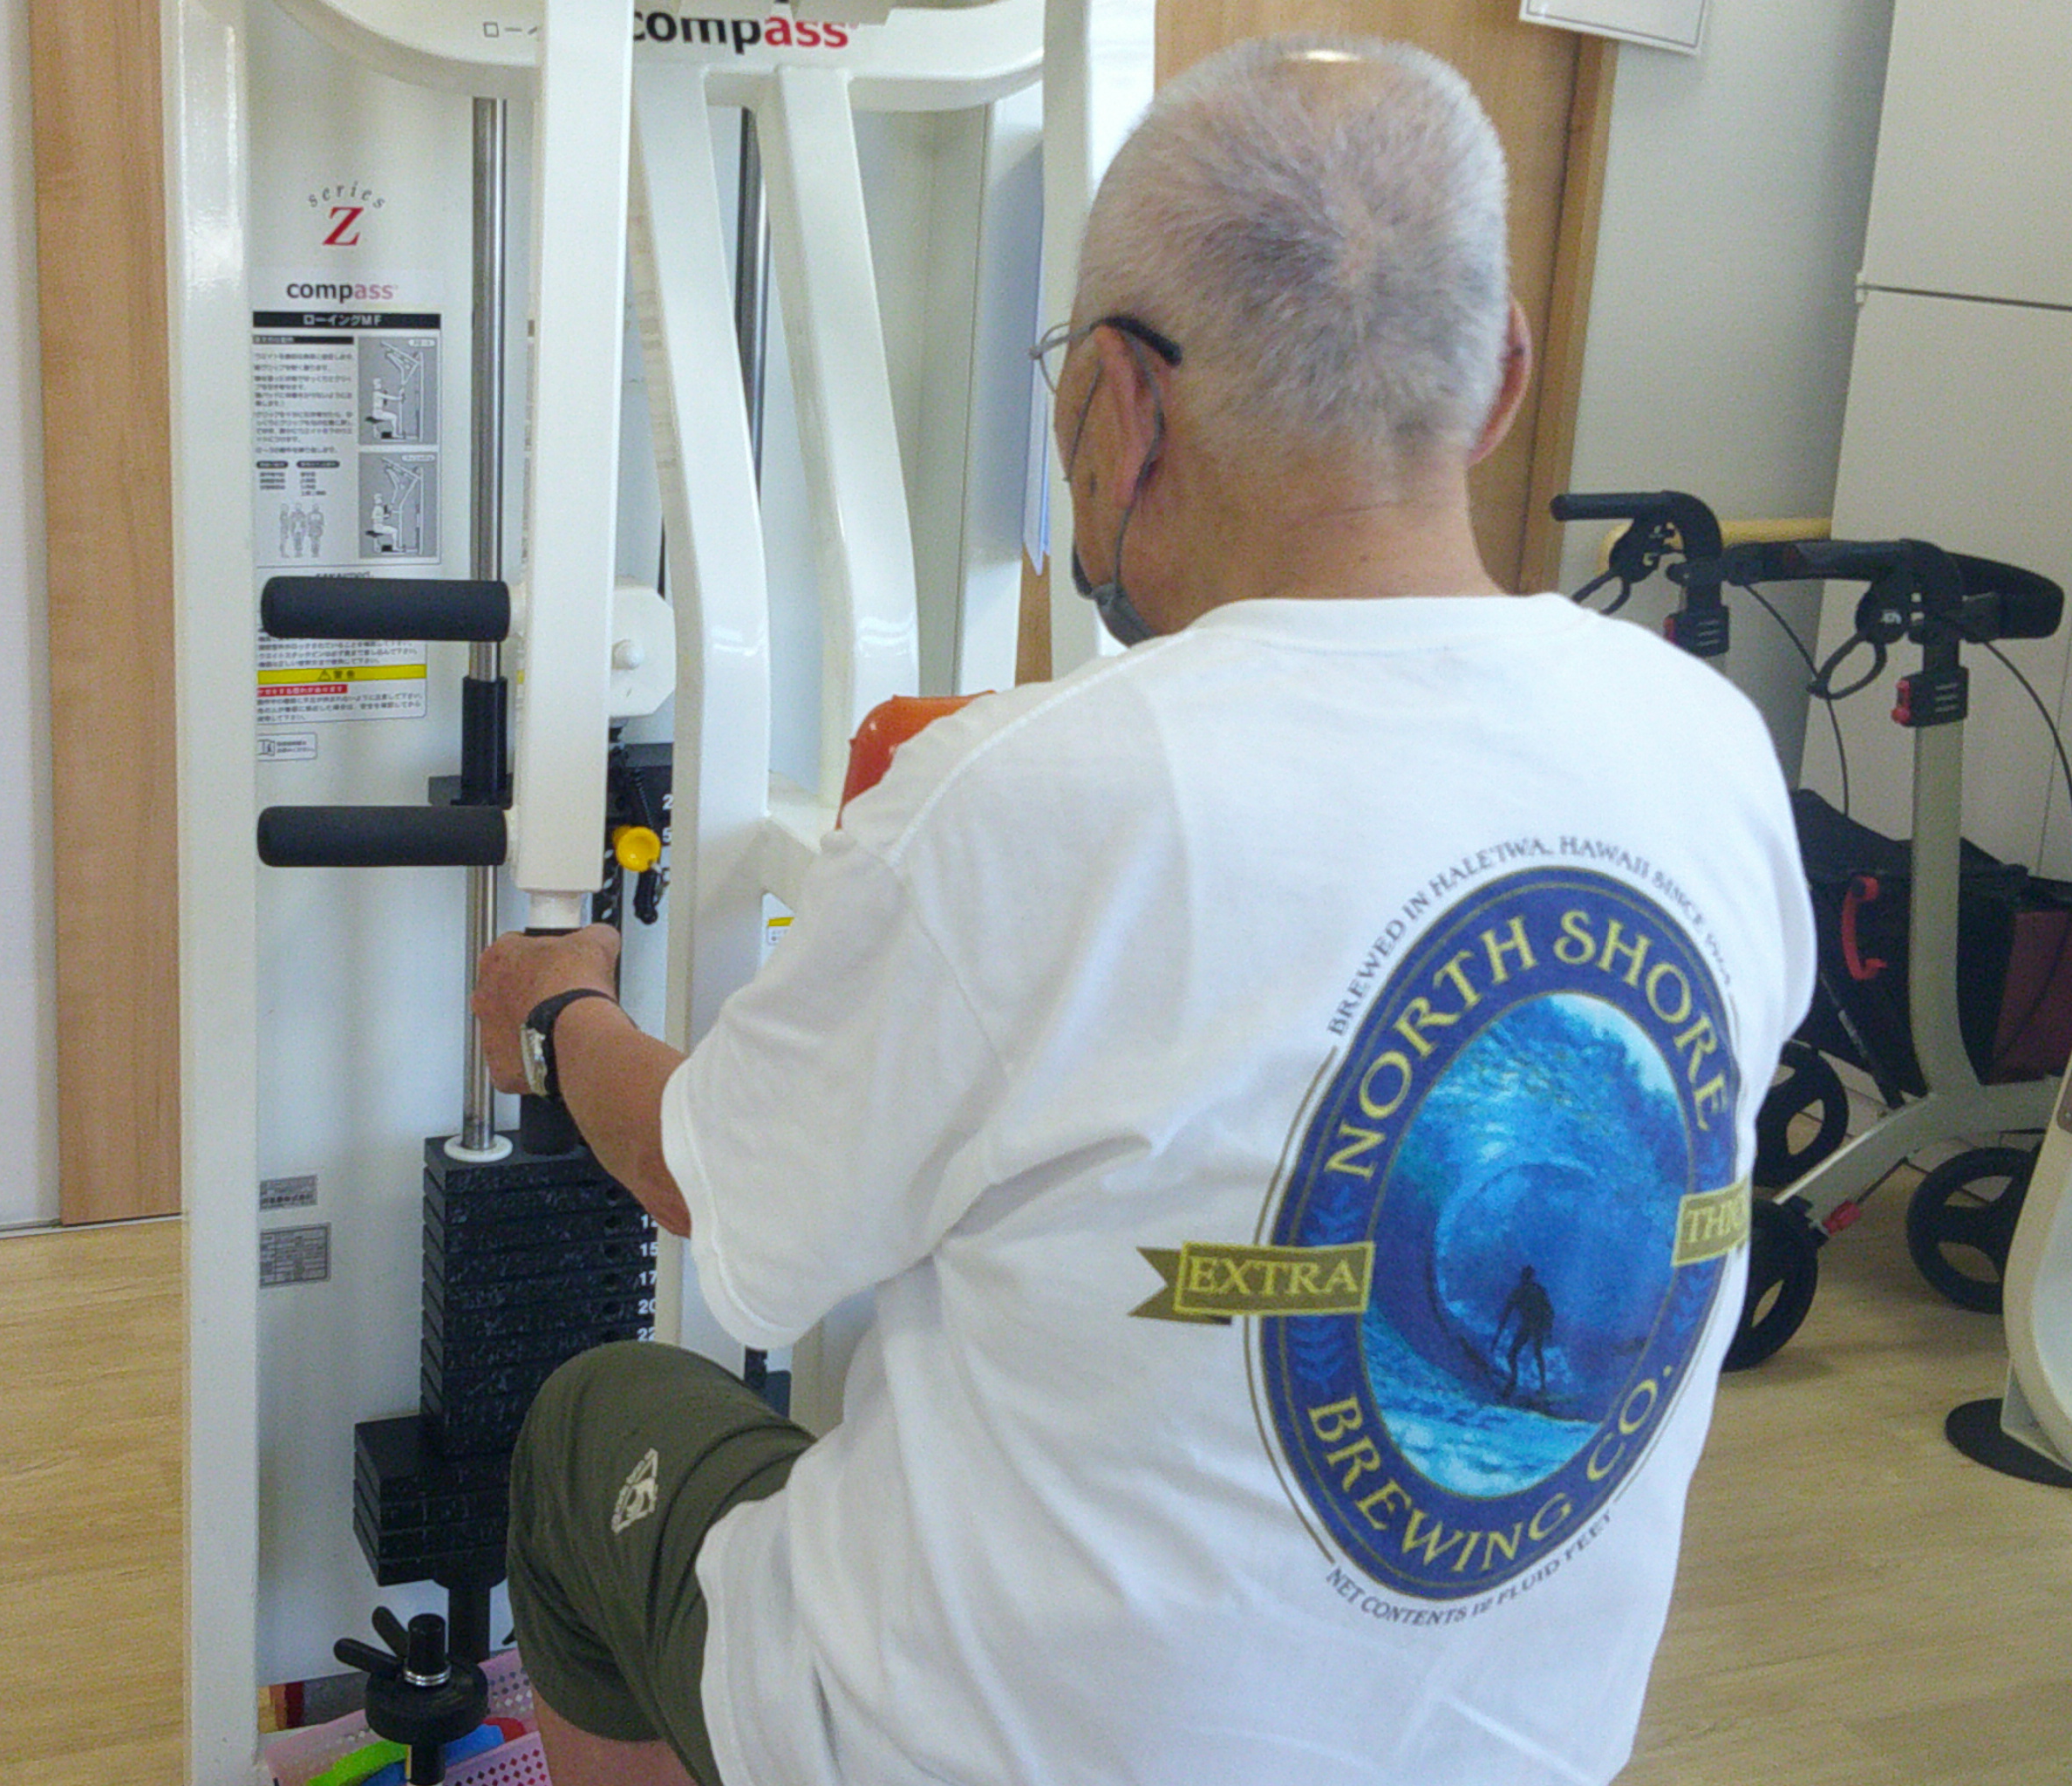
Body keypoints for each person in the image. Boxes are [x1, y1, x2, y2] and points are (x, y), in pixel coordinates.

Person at [472, 33, 1814, 1786]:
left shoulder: (1032, 793)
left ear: (1121, 403)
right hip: (1517, 1756)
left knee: (594, 1427)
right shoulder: (1708, 750)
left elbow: (712, 1198)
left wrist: (559, 1012)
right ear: (1499, 384)